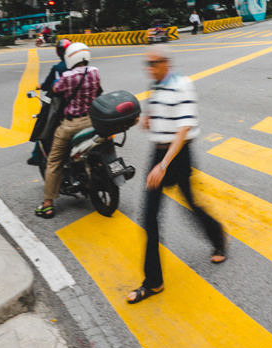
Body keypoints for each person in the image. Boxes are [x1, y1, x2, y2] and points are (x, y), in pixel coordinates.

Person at [126, 45, 226, 304]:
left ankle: (218, 237)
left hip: (177, 157)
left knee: (190, 205)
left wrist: (163, 165)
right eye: (146, 65)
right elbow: (159, 112)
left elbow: (183, 128)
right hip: (157, 154)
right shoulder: (157, 85)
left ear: (165, 64)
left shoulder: (183, 85)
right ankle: (154, 282)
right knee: (149, 217)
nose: (149, 69)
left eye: (153, 64)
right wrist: (148, 118)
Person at [35, 41, 102, 219]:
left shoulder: (67, 77)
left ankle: (47, 203)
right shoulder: (94, 72)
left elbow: (54, 90)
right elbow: (99, 92)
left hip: (72, 124)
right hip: (93, 121)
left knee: (54, 160)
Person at [27, 39, 70, 165]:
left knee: (44, 124)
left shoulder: (58, 68)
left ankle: (37, 156)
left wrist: (40, 86)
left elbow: (49, 85)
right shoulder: (85, 68)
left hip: (62, 107)